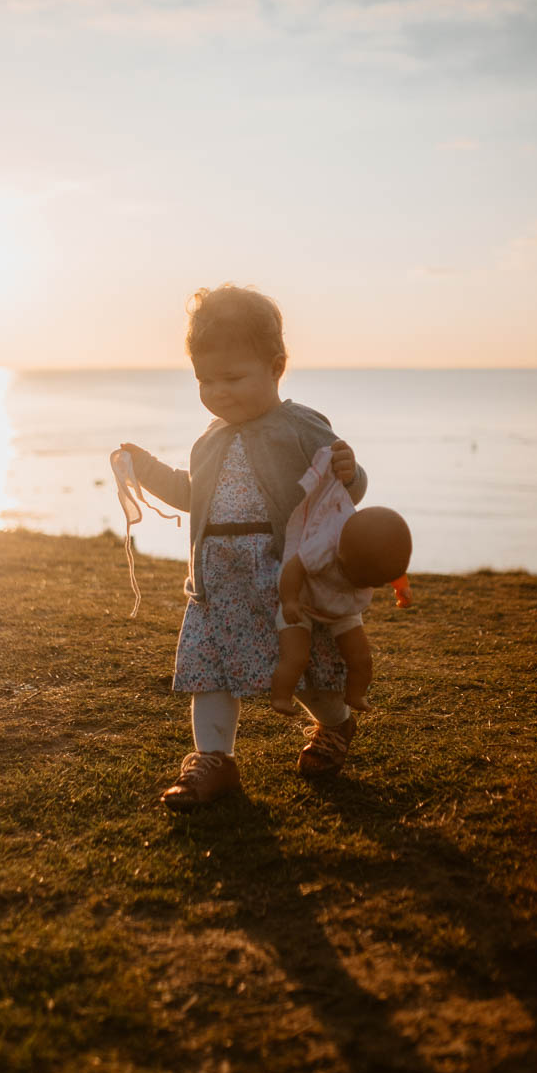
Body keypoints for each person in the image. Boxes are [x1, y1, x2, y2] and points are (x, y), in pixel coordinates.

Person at [118, 285, 369, 811]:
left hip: (281, 580)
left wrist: (352, 473)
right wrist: (147, 471)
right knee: (208, 670)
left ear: (276, 366)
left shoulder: (301, 426)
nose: (218, 392)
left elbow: (336, 495)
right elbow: (194, 495)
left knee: (303, 673)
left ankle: (335, 724)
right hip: (215, 582)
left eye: (232, 378)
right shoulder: (209, 438)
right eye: (205, 380)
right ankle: (214, 760)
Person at [271, 470, 412, 715]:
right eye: (360, 579)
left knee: (361, 658)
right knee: (296, 657)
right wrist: (289, 600)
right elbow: (294, 567)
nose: (366, 586)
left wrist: (401, 588)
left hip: (343, 608)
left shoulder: (376, 553)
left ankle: (355, 694)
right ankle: (280, 697)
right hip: (304, 600)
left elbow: (393, 570)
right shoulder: (326, 544)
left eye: (373, 584)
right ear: (342, 557)